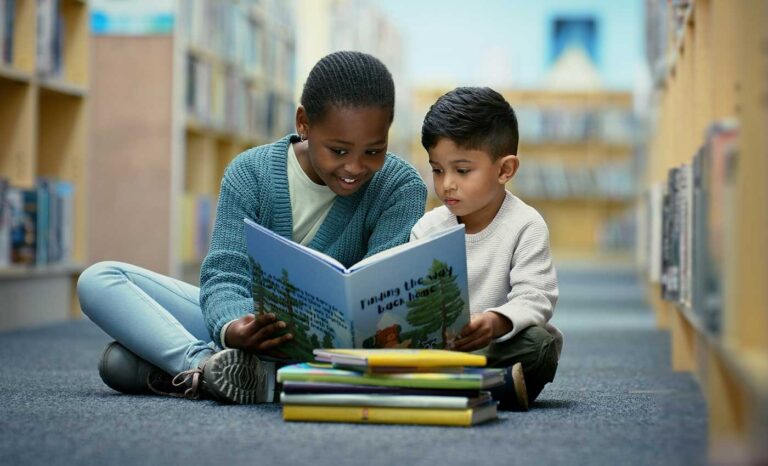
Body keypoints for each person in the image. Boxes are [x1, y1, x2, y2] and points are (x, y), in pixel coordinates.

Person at [78, 51, 427, 404]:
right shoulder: (251, 173)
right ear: (304, 123)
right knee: (99, 279)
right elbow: (225, 274)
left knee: (120, 364)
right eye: (338, 151)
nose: (355, 167)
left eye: (374, 151)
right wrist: (233, 328)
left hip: (338, 353)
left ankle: (218, 373)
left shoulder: (400, 187)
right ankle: (206, 365)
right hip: (251, 329)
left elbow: (381, 297)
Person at [411, 87, 561, 411]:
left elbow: (536, 297)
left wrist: (495, 322)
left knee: (540, 345)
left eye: (462, 171)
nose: (446, 183)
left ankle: (444, 387)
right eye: (437, 170)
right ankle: (483, 388)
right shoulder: (427, 229)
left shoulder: (526, 225)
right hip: (440, 350)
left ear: (505, 170)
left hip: (496, 347)